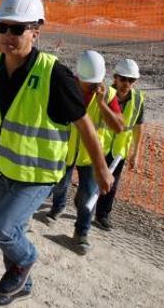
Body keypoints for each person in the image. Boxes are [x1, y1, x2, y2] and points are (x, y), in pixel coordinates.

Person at [0, 0, 113, 305]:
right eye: (4, 26)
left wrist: (102, 169)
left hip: (36, 176)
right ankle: (23, 284)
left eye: (17, 28)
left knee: (1, 228)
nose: (8, 35)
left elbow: (83, 122)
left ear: (36, 30)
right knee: (8, 233)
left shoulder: (54, 74)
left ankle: (28, 258)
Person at [46, 50, 123, 255]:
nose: (93, 87)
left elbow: (119, 127)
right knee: (60, 184)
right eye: (88, 83)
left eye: (95, 82)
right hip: (66, 150)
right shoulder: (67, 87)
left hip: (91, 156)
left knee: (88, 195)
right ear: (77, 77)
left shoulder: (109, 95)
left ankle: (81, 233)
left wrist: (101, 104)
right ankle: (58, 207)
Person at [94, 59, 146, 231]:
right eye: (123, 79)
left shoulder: (138, 99)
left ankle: (102, 215)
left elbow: (138, 127)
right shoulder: (104, 93)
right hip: (99, 146)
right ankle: (83, 207)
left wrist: (135, 153)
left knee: (112, 184)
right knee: (91, 181)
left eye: (131, 80)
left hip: (119, 151)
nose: (127, 84)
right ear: (115, 78)